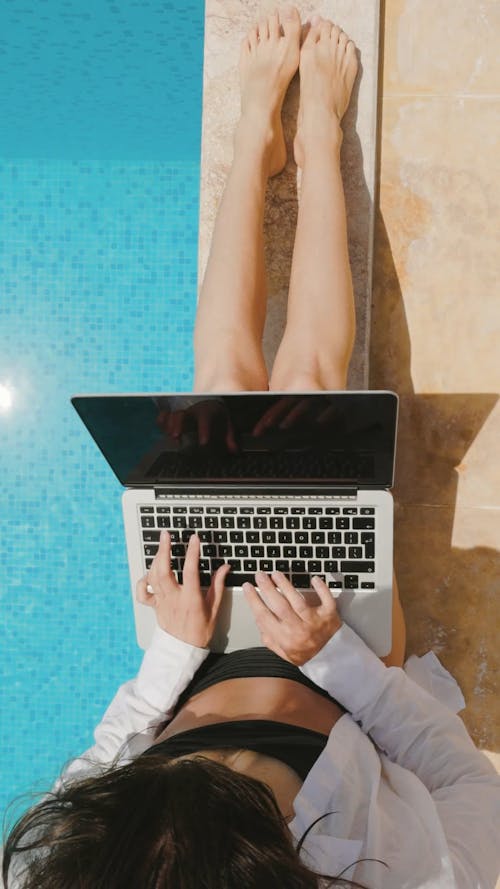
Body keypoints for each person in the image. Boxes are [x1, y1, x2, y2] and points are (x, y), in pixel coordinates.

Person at [3, 8, 499, 889]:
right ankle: (313, 144)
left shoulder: (68, 866)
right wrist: (331, 655)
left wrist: (172, 650)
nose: (231, 770)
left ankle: (252, 140)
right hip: (342, 670)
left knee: (221, 387)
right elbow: (467, 781)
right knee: (307, 388)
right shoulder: (416, 876)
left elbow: (100, 757)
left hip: (199, 652)